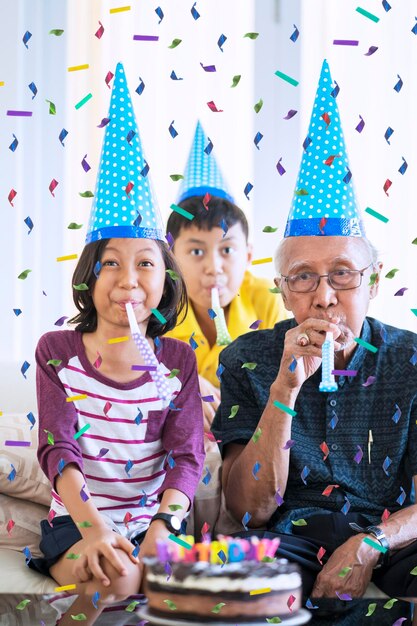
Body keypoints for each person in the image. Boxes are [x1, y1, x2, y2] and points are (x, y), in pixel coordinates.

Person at [211, 59, 417, 601]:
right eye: (303, 277)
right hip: (289, 538)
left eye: (342, 274)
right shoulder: (245, 359)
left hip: (396, 536)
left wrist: (372, 542)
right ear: (281, 289)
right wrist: (284, 389)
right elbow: (248, 509)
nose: (324, 295)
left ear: (373, 281)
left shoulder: (411, 359)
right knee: (215, 585)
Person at [30, 63, 204, 626]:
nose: (128, 280)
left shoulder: (177, 359)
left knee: (175, 582)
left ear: (165, 279)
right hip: (77, 522)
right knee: (120, 574)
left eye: (145, 263)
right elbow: (59, 450)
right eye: (110, 263)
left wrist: (162, 527)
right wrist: (97, 528)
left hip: (155, 523)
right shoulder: (57, 351)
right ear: (87, 275)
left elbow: (187, 456)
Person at [165, 121, 287, 430]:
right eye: (195, 252)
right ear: (170, 258)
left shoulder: (269, 302)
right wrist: (184, 386)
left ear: (247, 255)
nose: (214, 267)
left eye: (227, 250)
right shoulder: (154, 309)